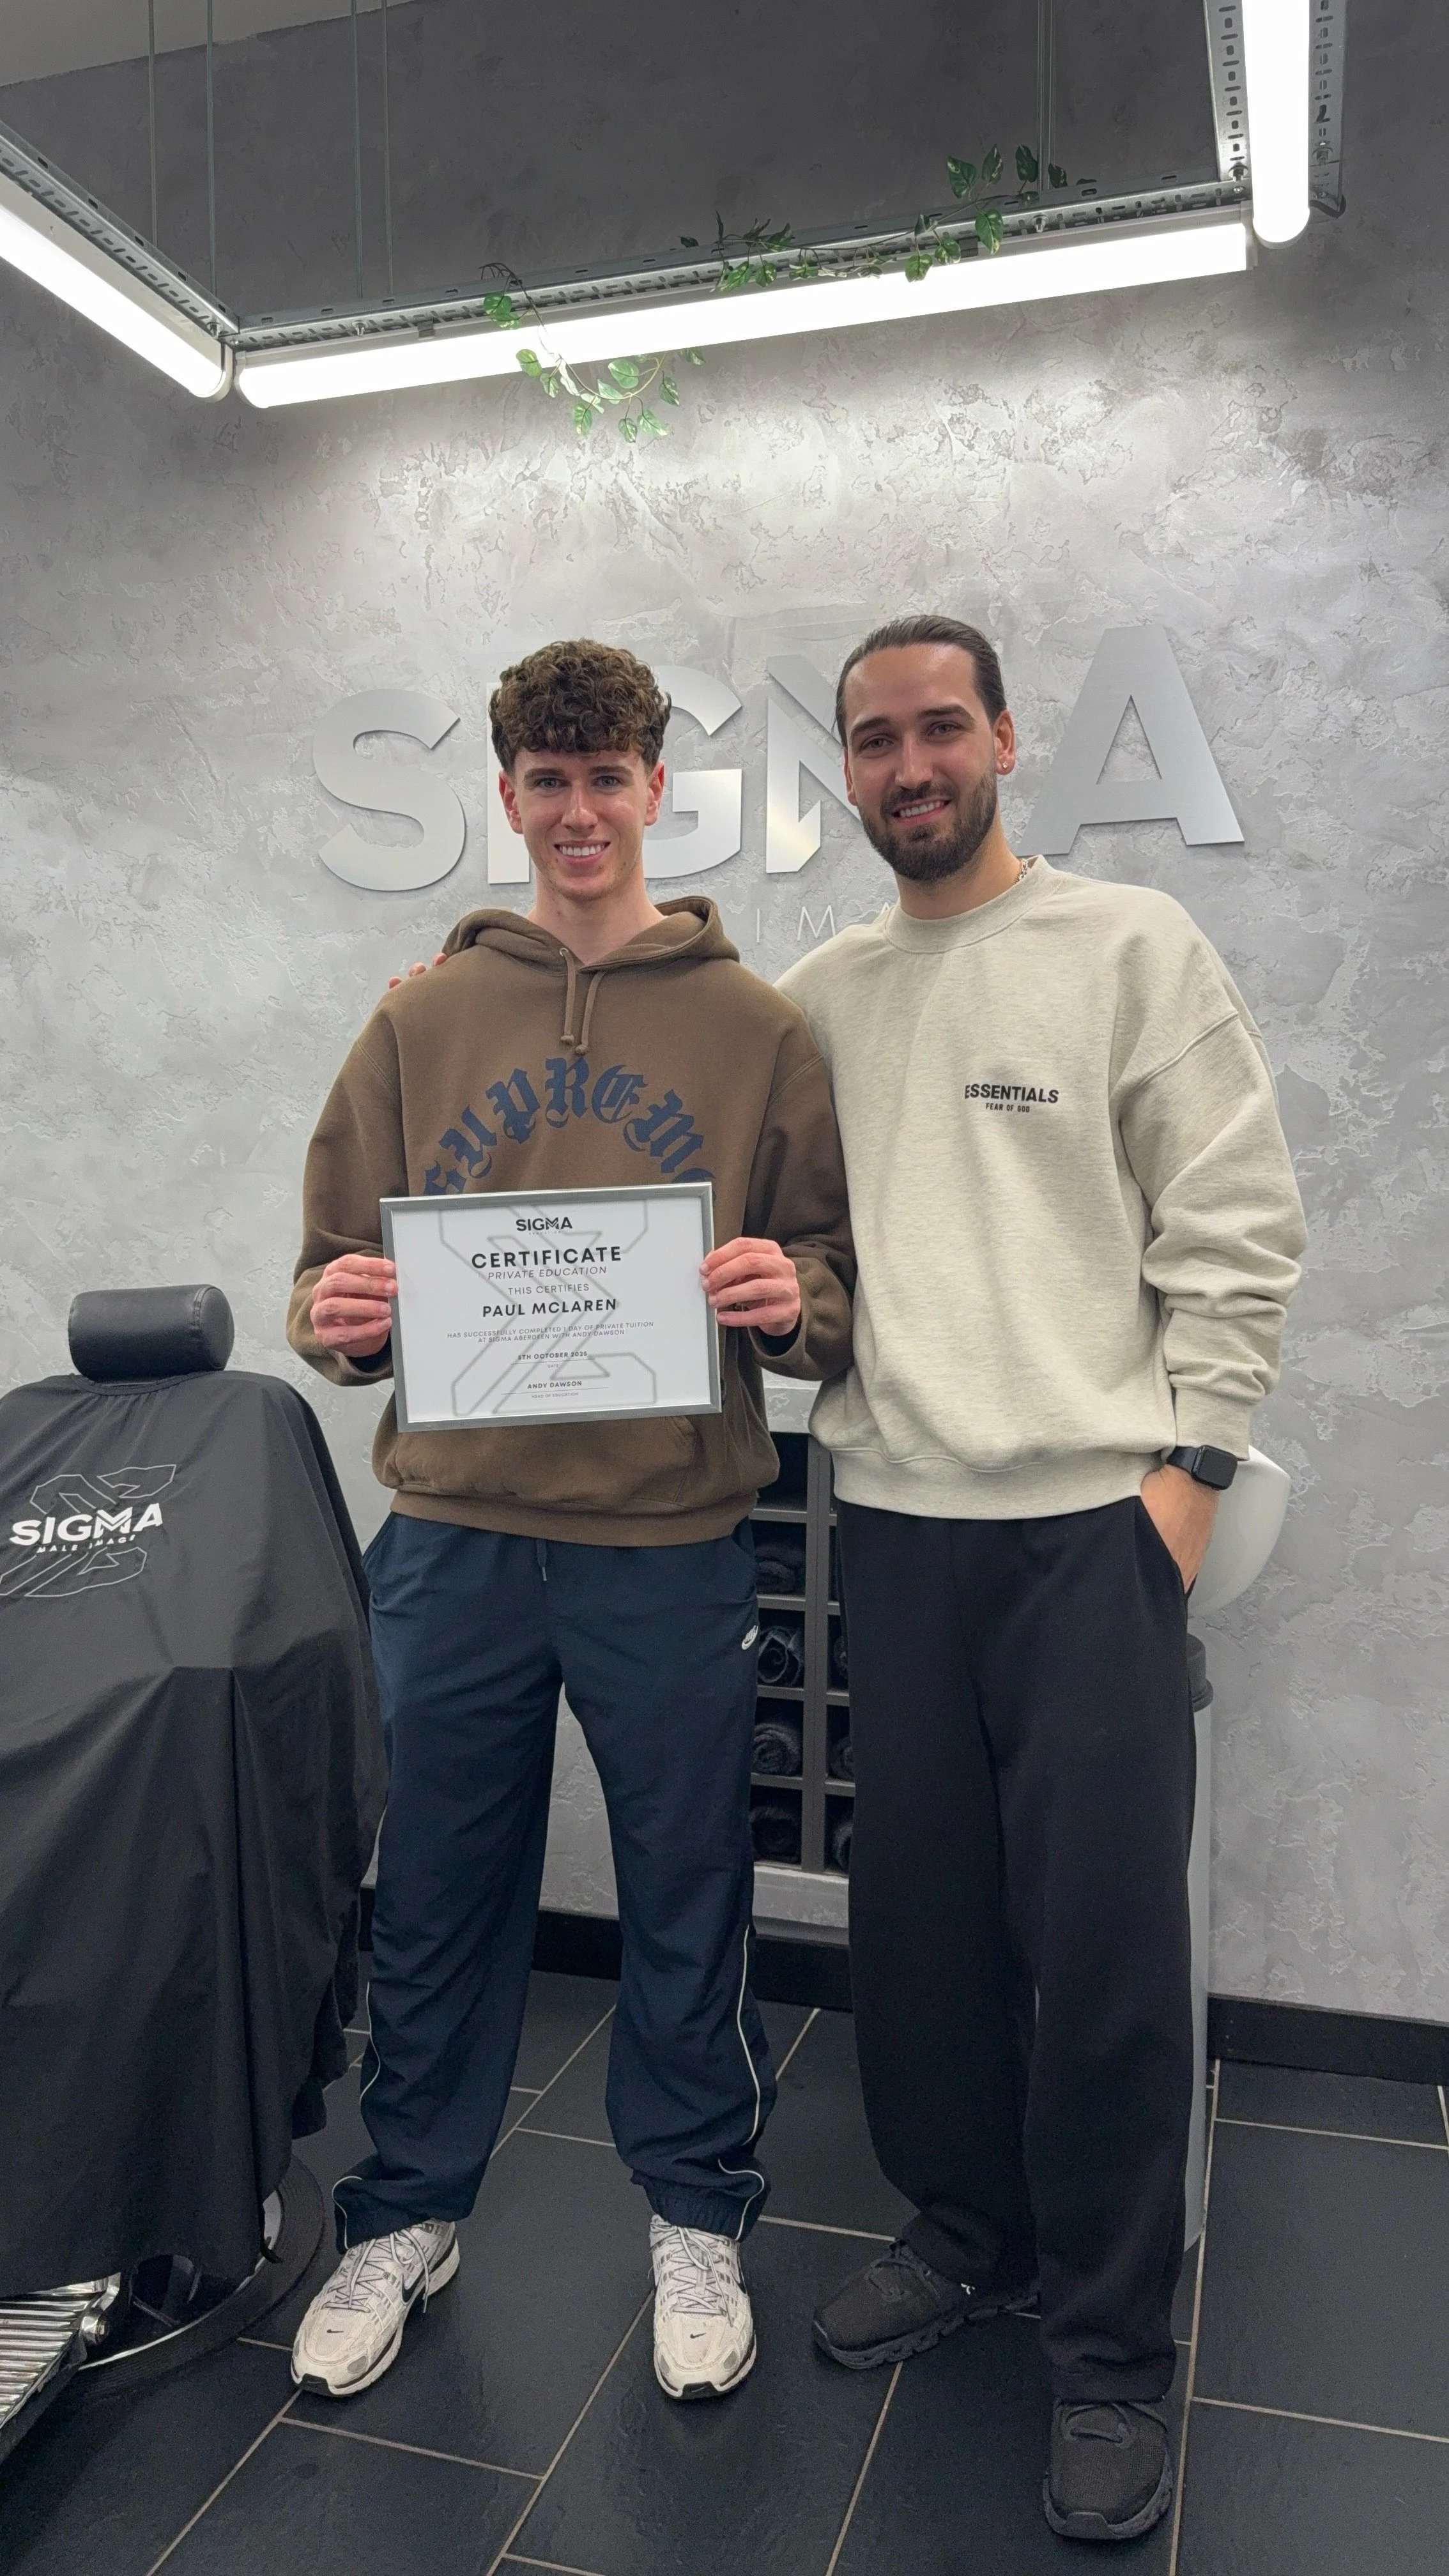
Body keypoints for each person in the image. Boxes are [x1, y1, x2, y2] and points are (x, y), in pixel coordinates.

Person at [778, 613, 1305, 2544]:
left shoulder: (1128, 950)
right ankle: (968, 2229)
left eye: (941, 728)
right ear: (847, 769)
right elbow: (783, 1250)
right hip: (896, 1525)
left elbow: (1235, 1220)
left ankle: (1106, 2345)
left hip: (1094, 1533)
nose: (909, 766)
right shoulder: (819, 999)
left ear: (1002, 739)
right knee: (917, 1928)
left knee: (1100, 1956)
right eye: (874, 739)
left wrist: (1187, 1476)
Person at [285, 639, 853, 2408]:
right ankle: (406, 2212)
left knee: (687, 1887)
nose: (580, 810)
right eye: (550, 780)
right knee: (437, 1889)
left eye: (609, 778)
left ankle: (695, 2212)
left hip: (670, 1532)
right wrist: (339, 1318)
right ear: (510, 794)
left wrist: (795, 1301)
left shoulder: (757, 1028)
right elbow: (327, 1274)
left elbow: (830, 1270)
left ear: (656, 789)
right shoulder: (418, 1020)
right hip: (453, 1533)